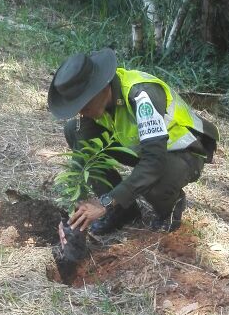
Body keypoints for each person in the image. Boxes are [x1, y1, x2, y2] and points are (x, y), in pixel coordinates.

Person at [48, 49, 218, 234]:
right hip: (145, 148)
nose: (81, 112)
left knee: (154, 183)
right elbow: (84, 153)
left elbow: (153, 163)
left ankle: (169, 210)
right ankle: (123, 211)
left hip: (184, 149)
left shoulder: (142, 96)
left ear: (102, 88)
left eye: (84, 105)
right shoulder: (97, 104)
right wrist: (76, 203)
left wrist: (105, 202)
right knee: (74, 130)